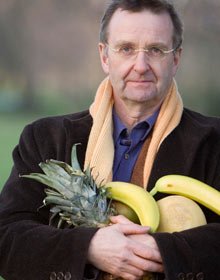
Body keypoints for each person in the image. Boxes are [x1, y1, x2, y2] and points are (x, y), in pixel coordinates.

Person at [0, 0, 220, 279]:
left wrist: (163, 251)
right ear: (105, 57)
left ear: (175, 59)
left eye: (156, 50)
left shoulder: (214, 142)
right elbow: (7, 236)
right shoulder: (44, 139)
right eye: (126, 49)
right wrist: (89, 247)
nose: (141, 66)